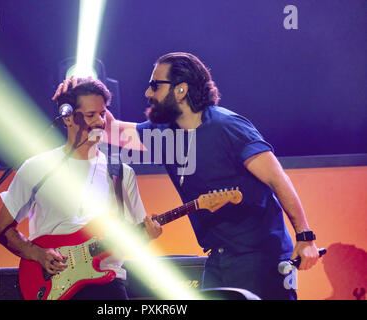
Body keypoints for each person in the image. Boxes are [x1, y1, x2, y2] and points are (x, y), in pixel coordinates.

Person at [54, 52, 320, 300]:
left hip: (260, 258)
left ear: (181, 90)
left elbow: (277, 179)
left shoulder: (228, 127)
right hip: (217, 258)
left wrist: (305, 237)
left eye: (155, 85)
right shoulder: (167, 134)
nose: (148, 92)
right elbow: (111, 129)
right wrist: (79, 91)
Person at [0, 78, 162, 300]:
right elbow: (2, 229)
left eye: (103, 114)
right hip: (52, 281)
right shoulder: (36, 167)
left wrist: (148, 234)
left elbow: (133, 234)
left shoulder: (121, 172)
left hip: (108, 285)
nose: (100, 122)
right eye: (91, 115)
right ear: (68, 117)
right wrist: (37, 253)